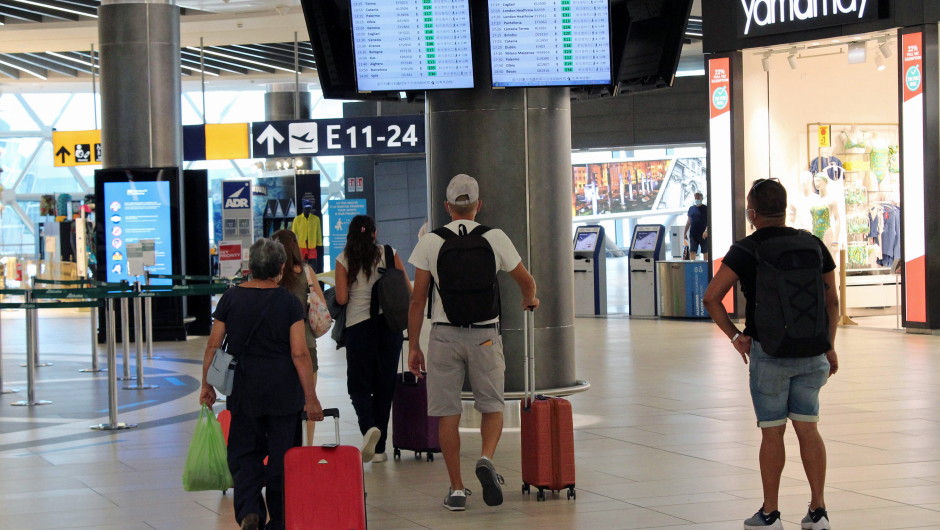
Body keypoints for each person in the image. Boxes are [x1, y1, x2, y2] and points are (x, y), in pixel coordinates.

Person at [702, 178, 839, 530]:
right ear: (784, 208)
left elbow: (711, 298)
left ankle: (770, 513)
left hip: (770, 353)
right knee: (808, 428)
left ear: (752, 213)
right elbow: (832, 301)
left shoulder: (745, 249)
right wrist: (829, 345)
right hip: (812, 352)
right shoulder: (813, 244)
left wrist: (736, 337)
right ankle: (818, 512)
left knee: (772, 432)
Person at [407, 173, 539, 512]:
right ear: (479, 205)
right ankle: (486, 458)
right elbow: (526, 281)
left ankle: (456, 489)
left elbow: (417, 300)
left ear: (447, 206)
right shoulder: (494, 238)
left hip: (444, 336)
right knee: (492, 405)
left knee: (447, 413)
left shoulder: (430, 241)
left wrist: (414, 346)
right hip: (485, 336)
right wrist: (529, 299)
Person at [200, 238, 323, 530]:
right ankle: (279, 521)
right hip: (284, 393)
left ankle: (250, 511)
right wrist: (311, 397)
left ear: (250, 266)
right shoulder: (288, 302)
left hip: (245, 389)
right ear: (280, 267)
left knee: (245, 453)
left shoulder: (231, 298)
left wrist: (207, 385)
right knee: (283, 458)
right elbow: (299, 353)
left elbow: (213, 345)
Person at [334, 215, 411, 464]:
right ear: (374, 233)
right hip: (389, 327)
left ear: (350, 234)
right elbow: (406, 290)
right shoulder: (389, 253)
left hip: (359, 328)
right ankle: (379, 450)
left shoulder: (344, 258)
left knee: (358, 386)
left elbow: (342, 298)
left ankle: (368, 428)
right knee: (384, 386)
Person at [271, 229, 327, 442]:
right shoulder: (306, 271)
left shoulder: (271, 275)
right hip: (306, 346)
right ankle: (307, 449)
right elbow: (321, 303)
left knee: (281, 403)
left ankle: (284, 448)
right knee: (308, 402)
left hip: (277, 347)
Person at [684, 191, 709, 260]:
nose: (697, 199)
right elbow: (688, 221)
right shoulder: (691, 209)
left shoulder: (706, 208)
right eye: (696, 198)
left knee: (705, 252)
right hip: (693, 234)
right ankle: (692, 265)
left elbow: (709, 221)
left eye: (698, 198)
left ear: (701, 198)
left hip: (703, 234)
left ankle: (706, 265)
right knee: (692, 251)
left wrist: (706, 231)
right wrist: (685, 233)